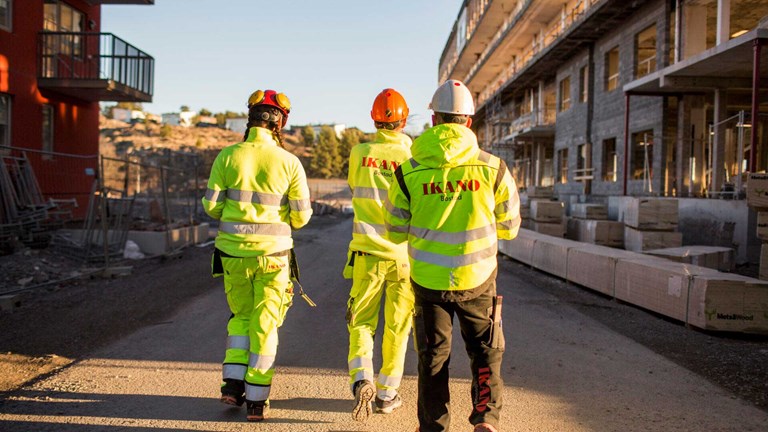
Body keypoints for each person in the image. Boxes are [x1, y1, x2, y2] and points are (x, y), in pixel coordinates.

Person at [384, 80, 521, 432]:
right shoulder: (495, 169)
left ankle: (433, 426)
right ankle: (486, 419)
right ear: (468, 122)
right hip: (478, 279)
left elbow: (394, 229)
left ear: (434, 121)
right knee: (486, 351)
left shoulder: (408, 172)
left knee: (432, 358)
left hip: (429, 283)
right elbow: (509, 227)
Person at [201, 89, 312, 422]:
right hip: (273, 257)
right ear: (279, 122)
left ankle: (232, 386)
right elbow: (302, 217)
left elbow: (211, 206)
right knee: (266, 324)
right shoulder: (289, 162)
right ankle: (257, 401)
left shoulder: (227, 156)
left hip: (232, 254)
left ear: (251, 118)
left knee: (241, 318)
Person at [344, 88, 415, 422]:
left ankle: (362, 378)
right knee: (397, 327)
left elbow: (352, 188)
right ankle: (387, 394)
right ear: (403, 121)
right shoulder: (414, 156)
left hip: (366, 254)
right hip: (403, 256)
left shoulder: (359, 152)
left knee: (361, 322)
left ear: (374, 119)